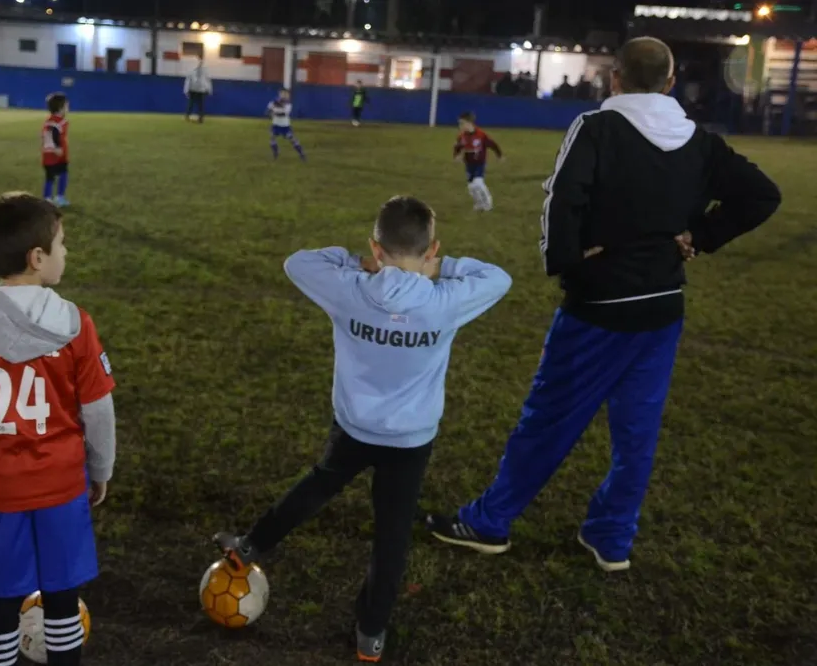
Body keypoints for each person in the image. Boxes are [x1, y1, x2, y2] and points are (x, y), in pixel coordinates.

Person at [426, 37, 781, 572]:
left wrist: (570, 265)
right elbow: (762, 194)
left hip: (599, 306)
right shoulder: (700, 142)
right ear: (670, 80)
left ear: (614, 79)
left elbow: (563, 200)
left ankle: (488, 521)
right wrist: (702, 235)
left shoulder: (595, 128)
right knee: (636, 433)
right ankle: (612, 538)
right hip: (663, 307)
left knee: (547, 420)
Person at [212, 196, 512, 663]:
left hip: (354, 425)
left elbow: (298, 262)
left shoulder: (349, 287)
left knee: (320, 482)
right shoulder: (445, 300)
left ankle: (252, 544)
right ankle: (371, 632)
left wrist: (355, 261)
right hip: (411, 439)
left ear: (376, 247)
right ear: (433, 248)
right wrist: (440, 266)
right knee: (392, 533)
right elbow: (499, 278)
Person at [0, 192, 118, 666]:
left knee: (0, 608)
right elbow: (98, 408)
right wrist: (101, 467)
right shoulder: (75, 323)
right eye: (62, 244)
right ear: (37, 259)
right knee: (62, 603)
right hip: (62, 487)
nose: (66, 252)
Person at [453, 111, 503, 212]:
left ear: (470, 123)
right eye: (459, 123)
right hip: (468, 164)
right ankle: (479, 203)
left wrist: (499, 155)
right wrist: (456, 155)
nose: (460, 126)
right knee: (471, 187)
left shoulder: (481, 135)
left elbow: (492, 144)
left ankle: (488, 203)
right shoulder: (462, 136)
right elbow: (457, 147)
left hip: (479, 163)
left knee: (478, 183)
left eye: (462, 123)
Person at [42, 92, 70, 207]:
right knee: (62, 174)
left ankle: (47, 199)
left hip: (48, 156)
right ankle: (59, 197)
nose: (68, 108)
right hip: (56, 156)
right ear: (60, 108)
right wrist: (57, 147)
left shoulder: (49, 120)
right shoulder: (59, 122)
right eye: (67, 106)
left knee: (50, 178)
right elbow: (52, 132)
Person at [266, 87, 306, 161]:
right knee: (272, 139)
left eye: (286, 94)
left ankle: (301, 154)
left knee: (293, 140)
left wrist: (274, 110)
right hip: (276, 125)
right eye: (282, 93)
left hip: (285, 126)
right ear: (279, 94)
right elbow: (268, 112)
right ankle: (276, 152)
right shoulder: (273, 102)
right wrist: (270, 112)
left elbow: (283, 114)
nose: (284, 95)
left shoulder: (288, 104)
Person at [184, 54, 212, 123]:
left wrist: (209, 89)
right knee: (191, 103)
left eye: (201, 60)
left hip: (201, 90)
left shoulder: (205, 70)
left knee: (200, 104)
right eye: (199, 60)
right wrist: (186, 90)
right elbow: (188, 79)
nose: (200, 62)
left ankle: (200, 118)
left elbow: (208, 80)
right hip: (193, 89)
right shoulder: (192, 69)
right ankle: (188, 116)